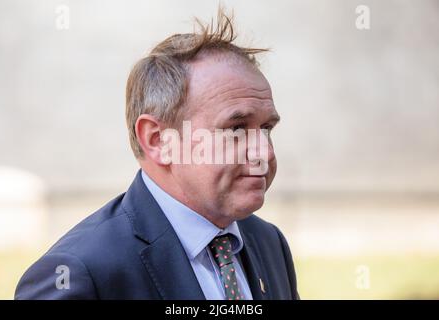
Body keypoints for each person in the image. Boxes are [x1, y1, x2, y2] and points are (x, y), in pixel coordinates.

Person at [15, 9, 298, 300]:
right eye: (236, 128)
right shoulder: (79, 273)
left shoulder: (267, 242)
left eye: (266, 128)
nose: (264, 151)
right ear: (158, 140)